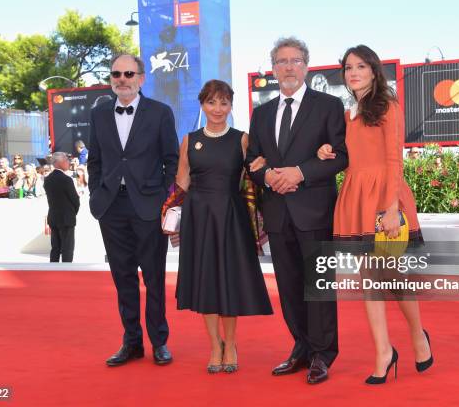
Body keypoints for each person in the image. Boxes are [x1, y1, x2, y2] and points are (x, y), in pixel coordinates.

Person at [317, 45, 432, 385]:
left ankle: (417, 335)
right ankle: (383, 351)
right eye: (348, 68)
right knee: (370, 278)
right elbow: (345, 152)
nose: (353, 73)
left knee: (391, 277)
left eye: (361, 66)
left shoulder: (388, 106)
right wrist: (325, 149)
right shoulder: (347, 112)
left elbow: (395, 160)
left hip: (385, 196)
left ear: (374, 71)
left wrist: (392, 207)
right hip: (356, 195)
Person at [246, 37, 348, 384]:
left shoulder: (328, 106)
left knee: (318, 285)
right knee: (289, 287)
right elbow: (252, 161)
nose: (288, 67)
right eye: (281, 61)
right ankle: (301, 347)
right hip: (276, 211)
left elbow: (341, 155)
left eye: (295, 60)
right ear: (272, 69)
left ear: (306, 66)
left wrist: (299, 173)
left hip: (315, 211)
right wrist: (269, 176)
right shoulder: (260, 114)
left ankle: (323, 353)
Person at [167, 80, 273, 374]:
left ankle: (231, 343)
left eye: (224, 103)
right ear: (202, 104)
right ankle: (215, 345)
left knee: (229, 282)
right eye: (212, 102)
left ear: (231, 106)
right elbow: (181, 183)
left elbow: (255, 177)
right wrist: (168, 214)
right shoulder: (190, 139)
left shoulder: (242, 139)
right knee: (206, 283)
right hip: (198, 218)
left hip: (230, 218)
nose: (217, 109)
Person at [87, 54, 179, 367]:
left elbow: (172, 160)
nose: (121, 79)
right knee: (123, 278)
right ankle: (132, 342)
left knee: (154, 279)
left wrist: (163, 201)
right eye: (116, 73)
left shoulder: (160, 112)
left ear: (140, 77)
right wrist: (97, 194)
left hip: (149, 207)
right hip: (111, 207)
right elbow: (95, 160)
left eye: (128, 73)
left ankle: (159, 342)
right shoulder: (98, 113)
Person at [43, 152, 80, 262]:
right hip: (67, 218)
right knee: (67, 249)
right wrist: (72, 213)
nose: (68, 162)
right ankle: (67, 273)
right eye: (66, 160)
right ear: (59, 163)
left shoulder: (47, 179)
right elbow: (75, 200)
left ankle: (52, 271)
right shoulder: (66, 180)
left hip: (53, 217)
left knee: (55, 247)